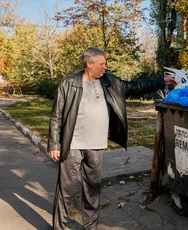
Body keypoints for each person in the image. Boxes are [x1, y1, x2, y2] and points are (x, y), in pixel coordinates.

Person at [47, 46, 175, 230]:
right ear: (89, 64)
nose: (105, 67)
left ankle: (90, 227)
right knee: (65, 190)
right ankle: (59, 227)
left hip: (96, 145)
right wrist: (54, 143)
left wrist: (160, 81)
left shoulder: (110, 82)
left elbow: (135, 86)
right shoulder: (68, 83)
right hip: (72, 144)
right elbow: (56, 115)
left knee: (92, 189)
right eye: (102, 64)